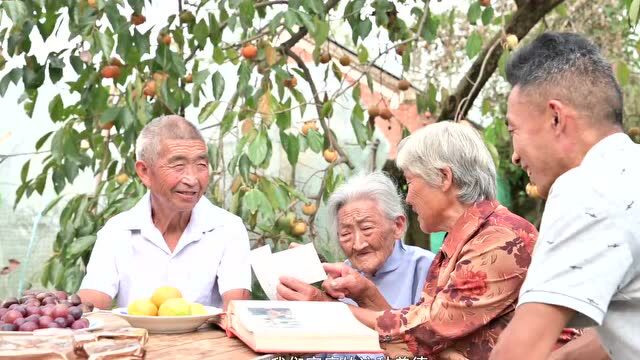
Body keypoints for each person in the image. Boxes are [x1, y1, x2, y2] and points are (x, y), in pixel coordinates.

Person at [322, 121, 540, 359]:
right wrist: (363, 293)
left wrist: (331, 310)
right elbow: (419, 338)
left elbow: (430, 330)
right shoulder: (461, 244)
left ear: (443, 177)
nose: (408, 197)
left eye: (410, 182)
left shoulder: (501, 239)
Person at [491, 32, 639, 360]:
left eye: (514, 130)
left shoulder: (589, 188)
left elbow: (519, 352)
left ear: (556, 118)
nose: (514, 155)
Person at [78, 115, 251, 310]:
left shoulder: (228, 229)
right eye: (178, 166)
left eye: (201, 165)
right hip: (137, 340)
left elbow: (236, 311)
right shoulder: (117, 232)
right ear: (144, 172)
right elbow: (89, 308)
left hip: (209, 341)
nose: (192, 179)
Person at [277, 172, 435, 309]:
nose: (358, 244)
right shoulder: (340, 278)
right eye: (346, 233)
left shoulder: (429, 269)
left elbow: (422, 339)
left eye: (367, 228)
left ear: (398, 225)